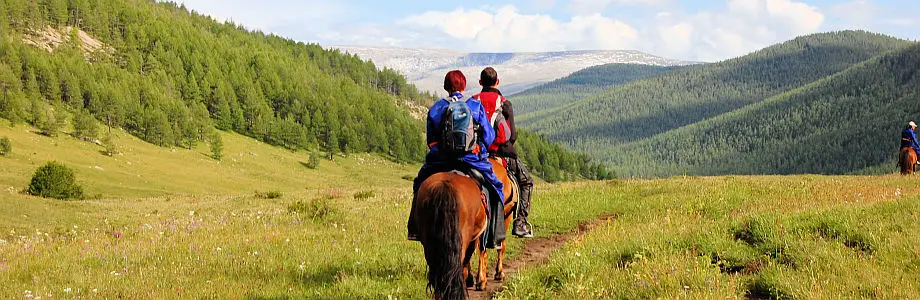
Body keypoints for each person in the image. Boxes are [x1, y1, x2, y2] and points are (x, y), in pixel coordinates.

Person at [408, 70, 506, 246]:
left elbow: (431, 141)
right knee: (496, 186)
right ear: (464, 86)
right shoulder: (474, 106)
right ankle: (494, 236)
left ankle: (414, 228)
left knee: (419, 184)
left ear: (446, 87)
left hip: (441, 160)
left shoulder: (436, 108)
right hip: (470, 159)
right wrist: (478, 149)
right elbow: (489, 136)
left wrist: (442, 152)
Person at [474, 67, 535, 238]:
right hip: (500, 153)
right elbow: (512, 135)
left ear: (480, 83)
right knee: (526, 182)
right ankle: (521, 223)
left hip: (477, 154)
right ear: (497, 82)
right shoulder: (504, 103)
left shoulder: (473, 100)